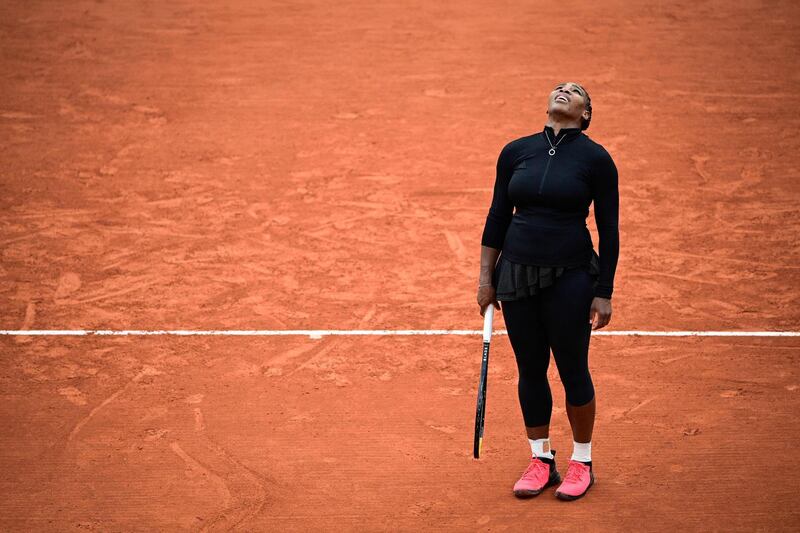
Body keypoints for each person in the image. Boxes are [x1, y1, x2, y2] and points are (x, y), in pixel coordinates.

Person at [476, 81, 619, 501]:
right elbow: (498, 214)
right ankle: (541, 459)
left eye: (575, 92)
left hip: (571, 276)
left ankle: (582, 462)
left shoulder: (596, 160)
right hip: (516, 274)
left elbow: (609, 230)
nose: (564, 91)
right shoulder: (516, 151)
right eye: (559, 87)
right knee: (530, 370)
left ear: (585, 113)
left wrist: (604, 290)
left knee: (573, 368)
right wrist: (487, 279)